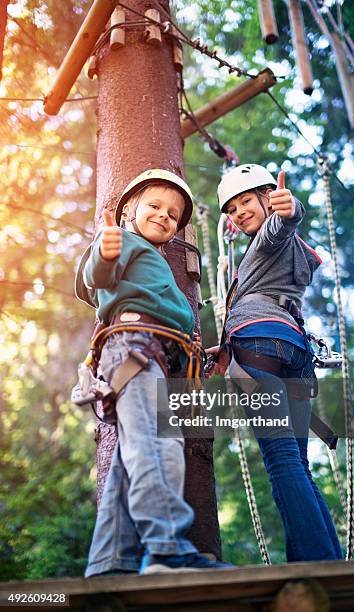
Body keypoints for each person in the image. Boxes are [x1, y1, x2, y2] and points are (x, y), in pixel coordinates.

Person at [76, 169, 230, 576]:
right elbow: (95, 279)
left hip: (150, 353)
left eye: (174, 214)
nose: (165, 216)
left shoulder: (154, 265)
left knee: (134, 452)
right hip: (133, 348)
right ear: (129, 210)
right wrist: (104, 252)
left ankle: (111, 560)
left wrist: (200, 359)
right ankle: (166, 549)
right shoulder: (122, 242)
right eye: (155, 206)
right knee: (158, 445)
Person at [207, 163, 342, 562]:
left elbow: (283, 222)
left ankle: (317, 567)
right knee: (298, 463)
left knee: (283, 460)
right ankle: (326, 561)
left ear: (268, 195)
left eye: (246, 201)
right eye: (231, 209)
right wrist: (228, 351)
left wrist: (289, 208)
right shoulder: (273, 256)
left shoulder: (270, 239)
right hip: (291, 350)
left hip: (261, 347)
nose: (238, 212)